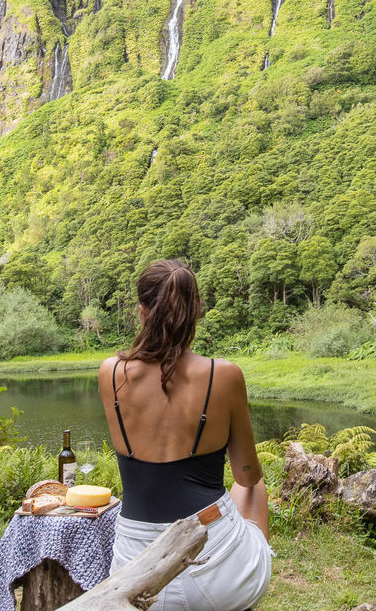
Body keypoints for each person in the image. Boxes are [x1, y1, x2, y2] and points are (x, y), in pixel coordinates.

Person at [97, 259, 272, 610]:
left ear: (142, 312)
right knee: (255, 486)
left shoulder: (110, 372)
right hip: (218, 572)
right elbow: (247, 474)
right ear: (195, 312)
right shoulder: (224, 375)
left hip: (138, 576)